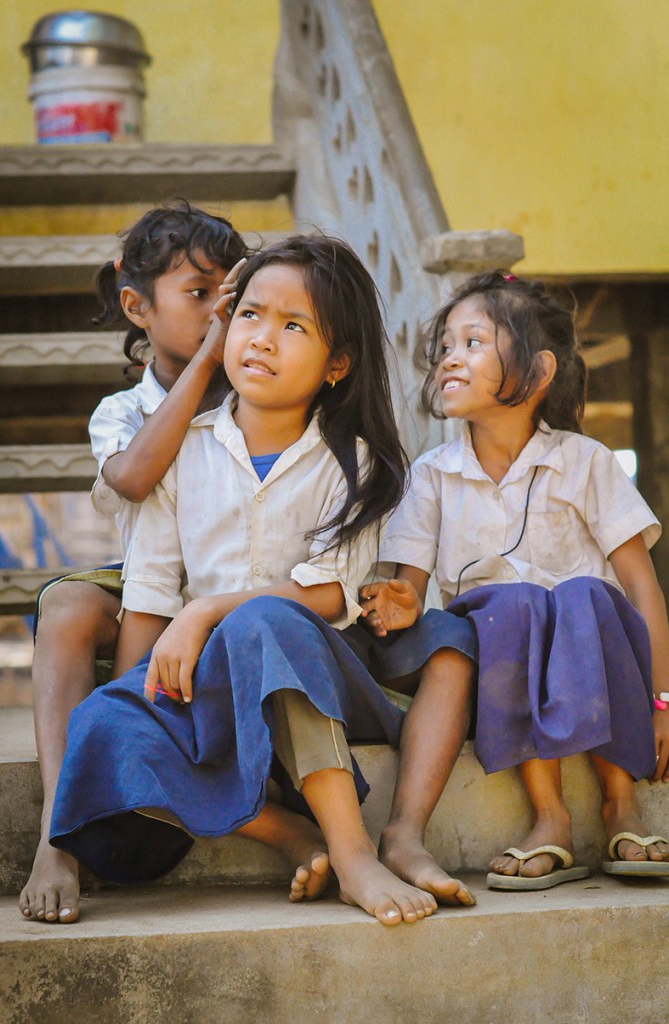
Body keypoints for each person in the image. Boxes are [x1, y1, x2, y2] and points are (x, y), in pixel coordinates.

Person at [48, 235, 477, 926]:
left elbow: (331, 595)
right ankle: (284, 831)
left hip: (318, 674)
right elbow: (153, 585)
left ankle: (353, 852)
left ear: (338, 363)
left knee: (264, 621)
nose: (262, 339)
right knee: (102, 722)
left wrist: (206, 612)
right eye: (249, 315)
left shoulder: (357, 463)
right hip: (216, 684)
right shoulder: (183, 449)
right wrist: (142, 697)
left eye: (294, 326)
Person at [360, 270, 669, 891]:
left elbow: (642, 590)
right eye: (445, 344)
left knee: (585, 592)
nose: (451, 357)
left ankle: (619, 803)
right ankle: (549, 814)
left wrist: (664, 700)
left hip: (602, 654)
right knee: (512, 604)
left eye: (473, 342)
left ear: (538, 372)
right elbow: (411, 595)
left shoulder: (585, 461)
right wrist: (394, 602)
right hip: (500, 659)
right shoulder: (433, 475)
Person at [19, 201, 247, 924]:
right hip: (144, 591)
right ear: (135, 306)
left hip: (230, 593)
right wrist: (211, 352)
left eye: (229, 296)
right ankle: (59, 836)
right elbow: (134, 477)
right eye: (199, 293)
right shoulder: (121, 410)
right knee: (65, 606)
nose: (220, 312)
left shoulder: (260, 391)